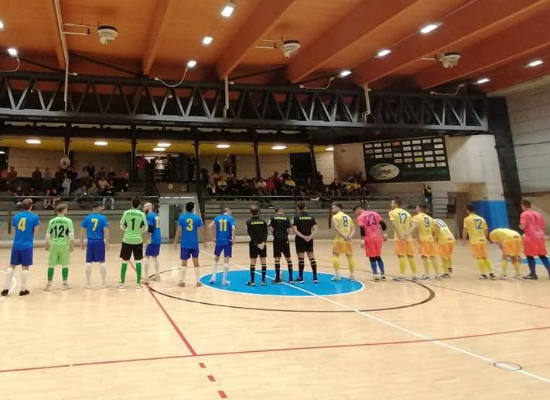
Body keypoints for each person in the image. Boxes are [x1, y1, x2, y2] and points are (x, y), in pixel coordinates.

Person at [1, 199, 40, 297]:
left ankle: (5, 288)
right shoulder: (34, 216)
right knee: (25, 267)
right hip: (27, 244)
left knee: (12, 265)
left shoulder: (16, 216)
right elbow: (35, 231)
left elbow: (15, 230)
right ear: (31, 206)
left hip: (16, 244)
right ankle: (23, 290)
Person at [405, 204, 441, 280]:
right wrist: (435, 236)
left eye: (416, 207)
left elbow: (414, 226)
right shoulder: (430, 218)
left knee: (424, 256)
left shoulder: (416, 217)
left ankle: (427, 274)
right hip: (430, 239)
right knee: (432, 257)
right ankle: (437, 274)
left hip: (423, 239)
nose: (416, 208)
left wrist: (407, 234)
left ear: (419, 208)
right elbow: (437, 227)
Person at [119, 198, 148, 289]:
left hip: (127, 239)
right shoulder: (142, 214)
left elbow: (121, 225)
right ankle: (138, 283)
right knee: (138, 261)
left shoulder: (126, 213)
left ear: (131, 204)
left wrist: (127, 230)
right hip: (138, 240)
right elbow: (146, 227)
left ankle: (122, 283)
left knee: (124, 261)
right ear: (139, 205)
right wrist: (139, 231)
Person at [44, 203, 74, 291]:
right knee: (65, 265)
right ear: (63, 210)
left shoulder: (52, 221)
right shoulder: (68, 221)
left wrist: (47, 244)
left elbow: (48, 234)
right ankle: (64, 284)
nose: (67, 210)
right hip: (64, 244)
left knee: (51, 265)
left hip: (54, 244)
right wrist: (72, 244)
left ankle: (49, 285)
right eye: (66, 209)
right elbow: (71, 234)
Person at [173, 202, 204, 287]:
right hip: (194, 244)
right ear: (193, 208)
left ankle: (182, 281)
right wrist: (205, 241)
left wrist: (175, 242)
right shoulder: (197, 218)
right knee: (196, 262)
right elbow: (202, 230)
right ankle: (198, 281)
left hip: (185, 244)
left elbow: (178, 231)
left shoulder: (182, 218)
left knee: (184, 262)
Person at [354, 204, 387, 281]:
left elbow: (362, 228)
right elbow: (383, 223)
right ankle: (383, 274)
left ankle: (375, 275)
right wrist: (385, 233)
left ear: (358, 209)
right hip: (378, 237)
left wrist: (362, 240)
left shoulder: (360, 217)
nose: (356, 214)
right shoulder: (374, 213)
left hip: (369, 238)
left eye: (355, 212)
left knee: (372, 257)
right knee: (378, 256)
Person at [80, 202, 110, 289]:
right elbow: (106, 231)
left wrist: (81, 241)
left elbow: (82, 230)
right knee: (102, 261)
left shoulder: (87, 218)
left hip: (90, 242)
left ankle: (88, 284)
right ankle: (103, 283)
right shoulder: (103, 218)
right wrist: (107, 242)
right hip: (99, 241)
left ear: (93, 208)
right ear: (99, 208)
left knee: (88, 262)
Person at [519, 200, 550, 279]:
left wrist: (520, 226)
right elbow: (543, 225)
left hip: (530, 237)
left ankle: (533, 274)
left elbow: (522, 226)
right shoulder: (538, 214)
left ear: (523, 205)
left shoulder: (524, 214)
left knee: (529, 255)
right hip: (540, 236)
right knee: (542, 255)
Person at [389, 198, 418, 281]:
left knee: (401, 255)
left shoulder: (392, 212)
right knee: (410, 256)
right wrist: (407, 234)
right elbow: (414, 225)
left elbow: (394, 225)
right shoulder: (407, 213)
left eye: (392, 203)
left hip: (399, 238)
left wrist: (400, 235)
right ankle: (415, 275)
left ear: (396, 204)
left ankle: (402, 275)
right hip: (408, 238)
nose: (391, 205)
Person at [462, 205, 495, 280]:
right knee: (484, 257)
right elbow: (486, 230)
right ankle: (491, 273)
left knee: (479, 257)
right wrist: (484, 238)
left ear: (467, 210)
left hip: (475, 240)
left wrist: (464, 240)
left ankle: (483, 274)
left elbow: (465, 231)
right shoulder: (482, 219)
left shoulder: (467, 219)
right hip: (483, 240)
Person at [208, 208, 236, 286]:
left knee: (216, 258)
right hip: (227, 241)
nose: (231, 212)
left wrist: (212, 237)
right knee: (226, 259)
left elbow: (210, 226)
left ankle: (213, 277)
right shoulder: (231, 219)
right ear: (227, 211)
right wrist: (233, 239)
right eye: (230, 211)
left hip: (219, 241)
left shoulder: (217, 218)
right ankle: (224, 280)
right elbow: (233, 228)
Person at [292, 203, 319, 283]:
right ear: (305, 207)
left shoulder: (296, 217)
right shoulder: (311, 217)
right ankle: (315, 277)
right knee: (312, 258)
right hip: (309, 238)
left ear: (298, 208)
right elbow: (315, 229)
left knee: (301, 259)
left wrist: (303, 237)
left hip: (300, 239)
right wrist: (310, 237)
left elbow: (295, 230)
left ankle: (301, 278)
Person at [330, 204, 356, 281]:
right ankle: (352, 276)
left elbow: (336, 227)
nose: (332, 209)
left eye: (333, 208)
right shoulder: (348, 217)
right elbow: (353, 228)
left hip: (339, 239)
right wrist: (350, 236)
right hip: (348, 240)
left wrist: (344, 236)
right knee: (350, 257)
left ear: (338, 208)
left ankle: (337, 275)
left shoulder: (335, 217)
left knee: (335, 255)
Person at [269, 207, 294, 283]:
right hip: (285, 239)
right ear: (280, 210)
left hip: (277, 239)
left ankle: (277, 278)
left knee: (277, 258)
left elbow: (270, 228)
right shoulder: (286, 218)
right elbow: (290, 230)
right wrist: (285, 234)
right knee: (288, 258)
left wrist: (275, 233)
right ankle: (291, 278)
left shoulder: (272, 217)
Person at [245, 206, 268, 287]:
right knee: (263, 261)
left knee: (253, 262)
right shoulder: (263, 222)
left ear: (250, 212)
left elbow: (250, 234)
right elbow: (266, 233)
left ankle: (252, 281)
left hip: (253, 245)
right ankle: (263, 281)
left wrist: (256, 243)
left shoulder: (248, 222)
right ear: (258, 212)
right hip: (263, 244)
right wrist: (263, 242)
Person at [143, 203, 161, 283]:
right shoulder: (156, 215)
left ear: (148, 207)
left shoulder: (149, 216)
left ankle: (146, 278)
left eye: (144, 206)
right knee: (154, 257)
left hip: (152, 239)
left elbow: (151, 230)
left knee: (146, 257)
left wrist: (147, 239)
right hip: (158, 238)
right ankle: (157, 276)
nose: (143, 208)